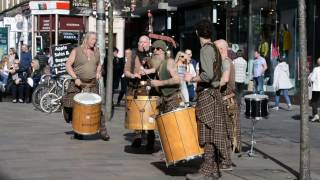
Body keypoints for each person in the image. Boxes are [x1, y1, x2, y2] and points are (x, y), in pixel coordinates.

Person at [184, 20, 229, 180]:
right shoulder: (215, 48)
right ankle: (214, 169)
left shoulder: (205, 50)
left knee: (207, 133)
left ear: (197, 33)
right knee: (213, 132)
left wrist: (192, 78)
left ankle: (206, 170)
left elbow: (208, 75)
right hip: (215, 94)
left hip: (207, 95)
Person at [63, 32, 110, 141]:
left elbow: (99, 64)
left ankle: (103, 131)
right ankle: (77, 128)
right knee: (71, 106)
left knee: (97, 107)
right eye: (93, 39)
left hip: (92, 83)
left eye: (96, 39)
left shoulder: (97, 51)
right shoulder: (76, 51)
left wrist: (98, 72)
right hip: (78, 83)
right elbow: (68, 65)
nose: (95, 41)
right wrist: (75, 78)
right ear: (87, 39)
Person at [124, 35, 156, 150]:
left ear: (149, 43)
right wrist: (133, 75)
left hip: (149, 88)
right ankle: (137, 137)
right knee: (137, 113)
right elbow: (126, 71)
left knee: (149, 113)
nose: (142, 44)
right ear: (138, 43)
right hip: (136, 87)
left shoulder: (154, 54)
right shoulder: (133, 55)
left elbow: (157, 68)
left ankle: (151, 138)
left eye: (145, 42)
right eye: (140, 42)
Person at [215, 39, 240, 154]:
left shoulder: (226, 62)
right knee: (226, 130)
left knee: (226, 131)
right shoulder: (224, 62)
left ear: (220, 49)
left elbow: (224, 80)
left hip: (227, 100)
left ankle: (226, 160)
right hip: (227, 99)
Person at [150, 40, 182, 111]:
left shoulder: (169, 62)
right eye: (153, 49)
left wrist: (159, 83)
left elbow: (177, 80)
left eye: (158, 48)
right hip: (164, 100)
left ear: (164, 51)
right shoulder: (158, 65)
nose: (155, 51)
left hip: (173, 99)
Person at [309, 57, 320, 122]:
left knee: (314, 102)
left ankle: (316, 115)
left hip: (317, 88)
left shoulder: (316, 69)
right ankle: (315, 115)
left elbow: (312, 78)